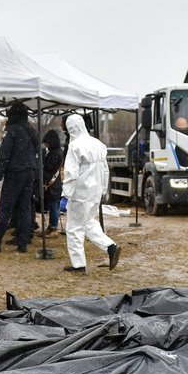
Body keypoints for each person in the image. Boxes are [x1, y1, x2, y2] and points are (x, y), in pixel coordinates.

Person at [62, 114, 120, 273]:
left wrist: (65, 195)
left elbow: (71, 173)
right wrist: (103, 189)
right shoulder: (98, 144)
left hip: (79, 193)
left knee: (74, 228)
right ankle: (110, 247)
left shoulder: (74, 146)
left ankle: (78, 265)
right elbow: (106, 169)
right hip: (95, 192)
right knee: (88, 222)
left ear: (70, 128)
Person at [0, 103, 37, 253]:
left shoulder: (11, 131)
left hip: (15, 173)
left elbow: (4, 154)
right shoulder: (31, 130)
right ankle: (23, 242)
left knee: (5, 208)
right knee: (25, 207)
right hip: (29, 172)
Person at [38, 129, 64, 235]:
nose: (46, 145)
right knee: (54, 206)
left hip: (52, 183)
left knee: (53, 206)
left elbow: (49, 169)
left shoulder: (54, 153)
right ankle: (52, 226)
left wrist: (44, 181)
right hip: (56, 183)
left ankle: (53, 227)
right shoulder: (59, 152)